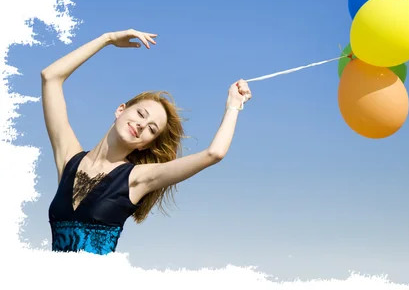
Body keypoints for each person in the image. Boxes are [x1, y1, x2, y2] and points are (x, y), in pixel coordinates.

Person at [42, 29, 252, 255]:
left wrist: (234, 105)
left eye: (152, 128)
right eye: (141, 114)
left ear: (145, 144)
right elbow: (50, 77)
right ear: (121, 109)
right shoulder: (69, 159)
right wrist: (108, 39)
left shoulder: (137, 179)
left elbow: (214, 153)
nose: (142, 125)